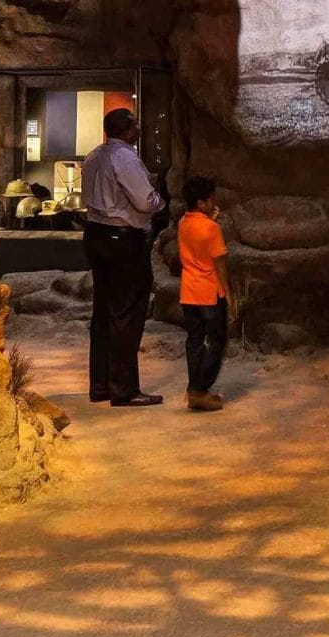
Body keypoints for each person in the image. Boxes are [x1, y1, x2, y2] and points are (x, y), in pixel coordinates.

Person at [82, 106, 165, 407]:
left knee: (103, 311)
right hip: (122, 240)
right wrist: (159, 200)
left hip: (96, 234)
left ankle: (100, 384)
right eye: (137, 124)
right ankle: (124, 389)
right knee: (127, 312)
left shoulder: (94, 156)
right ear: (128, 130)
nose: (140, 128)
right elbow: (144, 201)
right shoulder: (125, 157)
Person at [178, 176, 231, 412]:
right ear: (201, 203)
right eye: (210, 200)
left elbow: (198, 236)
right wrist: (228, 293)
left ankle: (194, 389)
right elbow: (219, 263)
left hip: (189, 291)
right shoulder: (212, 228)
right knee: (217, 341)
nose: (213, 203)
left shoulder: (182, 222)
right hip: (209, 292)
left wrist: (211, 220)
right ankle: (200, 389)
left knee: (195, 341)